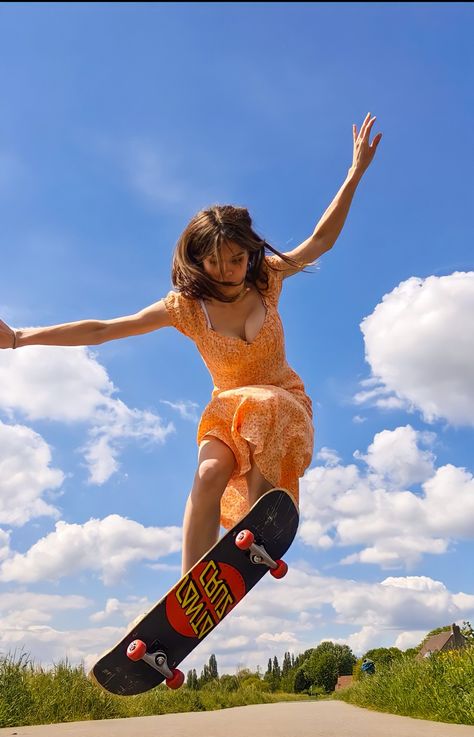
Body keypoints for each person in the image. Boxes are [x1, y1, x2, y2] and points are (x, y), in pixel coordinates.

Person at [0, 113, 382, 577]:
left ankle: (253, 526)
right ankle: (189, 584)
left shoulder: (266, 280)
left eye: (237, 259)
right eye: (217, 262)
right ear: (198, 260)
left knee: (266, 405)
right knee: (207, 476)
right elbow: (105, 329)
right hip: (225, 410)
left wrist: (354, 173)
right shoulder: (186, 307)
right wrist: (20, 338)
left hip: (283, 403)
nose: (229, 270)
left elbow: (319, 241)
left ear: (250, 254)